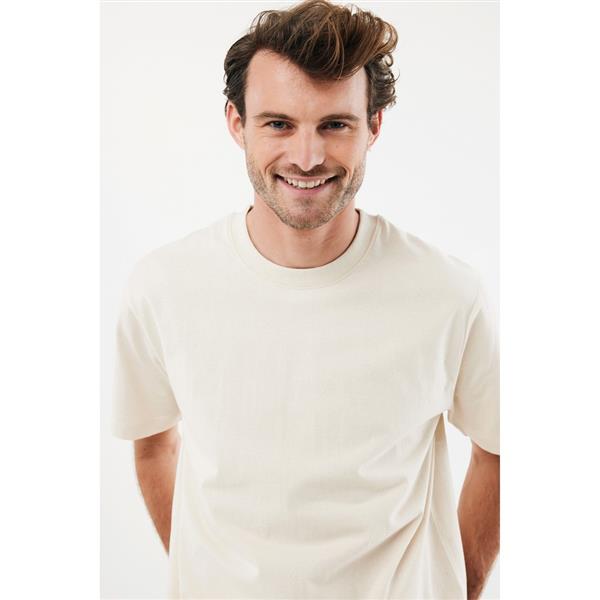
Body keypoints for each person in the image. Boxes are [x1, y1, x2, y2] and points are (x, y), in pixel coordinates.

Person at [110, 1, 500, 598]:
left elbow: (501, 450)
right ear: (237, 123)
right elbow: (153, 445)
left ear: (374, 125)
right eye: (279, 124)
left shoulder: (449, 294)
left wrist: (455, 584)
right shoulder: (162, 287)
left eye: (335, 124)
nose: (308, 157)